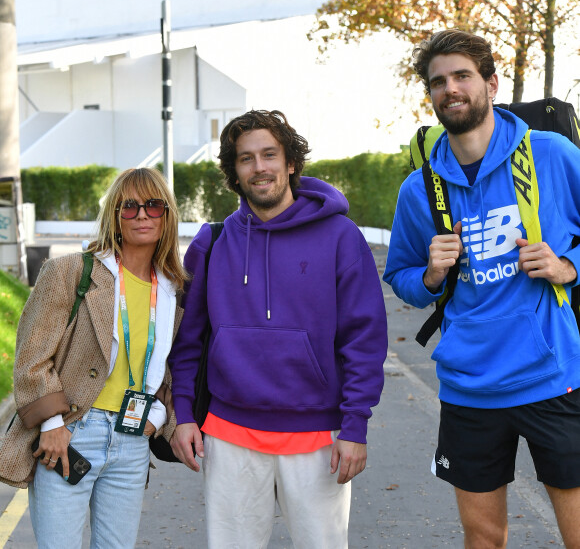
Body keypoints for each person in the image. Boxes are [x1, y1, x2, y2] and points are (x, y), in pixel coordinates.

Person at [383, 29, 580, 548]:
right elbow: (401, 278)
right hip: (469, 387)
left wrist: (568, 265)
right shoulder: (419, 187)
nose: (450, 88)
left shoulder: (550, 154)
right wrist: (428, 276)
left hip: (552, 376)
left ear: (490, 83)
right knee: (484, 537)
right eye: (438, 81)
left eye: (462, 76)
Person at [168, 109, 388, 548]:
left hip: (317, 437)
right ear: (234, 171)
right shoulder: (212, 244)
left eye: (269, 154)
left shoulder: (341, 237)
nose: (259, 167)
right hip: (229, 433)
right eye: (246, 159)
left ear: (290, 162)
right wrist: (184, 415)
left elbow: (363, 340)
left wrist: (355, 426)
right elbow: (187, 343)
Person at [0, 168, 187, 548]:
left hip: (133, 441)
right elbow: (31, 357)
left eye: (153, 206)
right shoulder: (70, 272)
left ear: (167, 215)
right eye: (128, 206)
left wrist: (156, 418)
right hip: (71, 435)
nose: (141, 215)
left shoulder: (175, 290)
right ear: (114, 216)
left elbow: (171, 369)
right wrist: (52, 423)